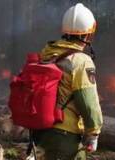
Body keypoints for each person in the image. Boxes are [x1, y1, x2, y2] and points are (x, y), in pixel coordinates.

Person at [34, 3, 103, 160]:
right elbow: (87, 101)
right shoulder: (81, 61)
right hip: (65, 135)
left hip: (41, 131)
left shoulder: (47, 54)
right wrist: (93, 132)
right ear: (89, 34)